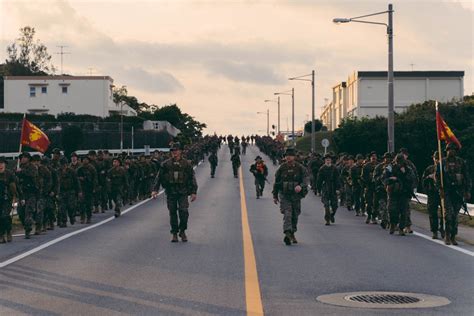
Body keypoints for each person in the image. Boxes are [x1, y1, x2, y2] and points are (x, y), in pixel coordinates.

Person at [152, 143, 198, 242]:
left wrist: (194, 192)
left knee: (184, 211)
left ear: (180, 151)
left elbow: (192, 178)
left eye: (176, 150)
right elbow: (159, 177)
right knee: (172, 213)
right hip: (171, 191)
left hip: (183, 191)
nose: (175, 152)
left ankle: (182, 230)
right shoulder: (165, 164)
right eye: (173, 151)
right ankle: (174, 233)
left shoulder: (186, 164)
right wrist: (155, 190)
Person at [436, 143, 471, 245]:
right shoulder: (442, 162)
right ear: (446, 151)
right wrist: (440, 189)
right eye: (449, 149)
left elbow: (467, 177)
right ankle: (447, 235)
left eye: (453, 149)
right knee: (448, 214)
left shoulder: (461, 162)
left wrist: (467, 191)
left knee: (455, 215)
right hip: (447, 191)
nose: (451, 151)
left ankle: (453, 236)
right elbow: (437, 176)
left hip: (458, 192)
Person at [272, 147, 309, 245]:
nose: (288, 158)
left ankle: (292, 233)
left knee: (295, 215)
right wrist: (275, 195)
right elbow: (277, 183)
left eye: (290, 156)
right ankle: (287, 233)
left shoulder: (300, 168)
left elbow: (306, 179)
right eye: (287, 156)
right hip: (285, 195)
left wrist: (301, 186)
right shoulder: (281, 168)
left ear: (294, 157)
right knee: (287, 214)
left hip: (296, 196)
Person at [383, 154, 416, 236]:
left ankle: (401, 228)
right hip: (393, 192)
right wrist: (390, 179)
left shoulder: (408, 169)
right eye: (397, 162)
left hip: (404, 193)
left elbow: (412, 179)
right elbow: (384, 178)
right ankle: (392, 224)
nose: (399, 164)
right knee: (391, 209)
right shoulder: (390, 167)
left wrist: (404, 173)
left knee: (403, 211)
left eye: (400, 162)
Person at [16, 152, 39, 239]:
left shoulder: (32, 167)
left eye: (25, 157)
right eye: (22, 157)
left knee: (28, 212)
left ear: (28, 159)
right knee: (20, 212)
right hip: (21, 194)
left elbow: (32, 174)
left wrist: (22, 171)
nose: (23, 159)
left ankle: (28, 230)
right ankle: (26, 225)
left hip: (31, 193)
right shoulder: (18, 167)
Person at [422, 151, 444, 239]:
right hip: (432, 193)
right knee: (432, 213)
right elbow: (423, 181)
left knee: (444, 213)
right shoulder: (429, 169)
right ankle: (434, 231)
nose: (437, 160)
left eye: (439, 158)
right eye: (436, 158)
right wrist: (429, 177)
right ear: (433, 158)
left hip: (442, 193)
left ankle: (443, 229)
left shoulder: (445, 168)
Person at [316, 154, 341, 225]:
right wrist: (318, 190)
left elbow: (337, 179)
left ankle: (332, 215)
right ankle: (327, 219)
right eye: (326, 159)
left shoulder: (335, 168)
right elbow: (319, 180)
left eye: (329, 159)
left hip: (333, 188)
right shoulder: (322, 169)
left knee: (334, 205)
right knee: (326, 205)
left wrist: (338, 188)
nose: (328, 160)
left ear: (331, 160)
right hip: (325, 188)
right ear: (324, 160)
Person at [58, 158, 82, 227]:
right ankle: (64, 221)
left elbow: (76, 181)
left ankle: (72, 216)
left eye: (65, 164)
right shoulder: (58, 171)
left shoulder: (72, 171)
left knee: (71, 206)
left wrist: (79, 191)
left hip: (70, 191)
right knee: (62, 207)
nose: (63, 166)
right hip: (61, 191)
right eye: (62, 164)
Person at [0, 157, 17, 243]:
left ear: (5, 164)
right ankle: (1, 235)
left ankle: (8, 231)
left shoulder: (9, 174)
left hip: (7, 199)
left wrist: (15, 196)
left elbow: (14, 186)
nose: (0, 165)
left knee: (4, 216)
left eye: (2, 163)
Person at [362, 152, 379, 224]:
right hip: (369, 187)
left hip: (377, 187)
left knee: (376, 203)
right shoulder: (366, 166)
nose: (374, 158)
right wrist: (366, 182)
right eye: (372, 156)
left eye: (375, 156)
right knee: (368, 202)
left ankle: (374, 217)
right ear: (370, 158)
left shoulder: (379, 166)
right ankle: (369, 215)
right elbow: (363, 177)